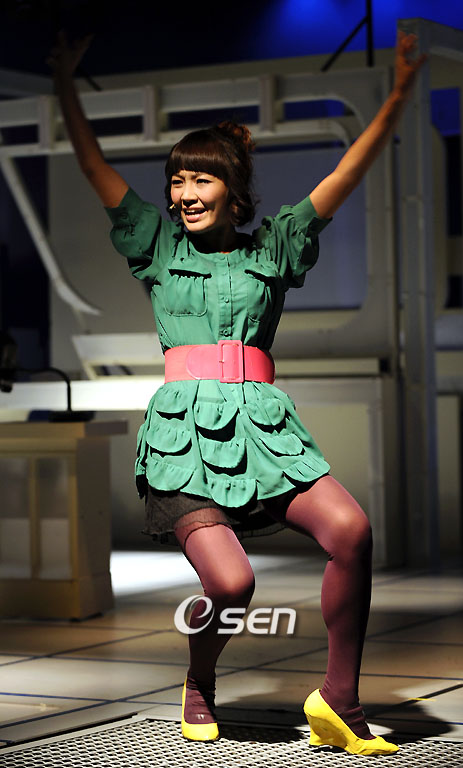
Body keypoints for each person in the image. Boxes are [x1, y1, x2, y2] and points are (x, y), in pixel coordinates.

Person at [48, 29, 426, 756]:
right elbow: (93, 164)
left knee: (352, 531)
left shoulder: (275, 247)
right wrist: (66, 79)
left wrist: (402, 91)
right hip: (183, 442)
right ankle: (199, 682)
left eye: (201, 181)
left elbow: (347, 173)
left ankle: (338, 702)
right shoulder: (157, 245)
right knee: (231, 586)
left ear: (234, 192)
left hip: (264, 434)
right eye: (177, 181)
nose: (184, 195)